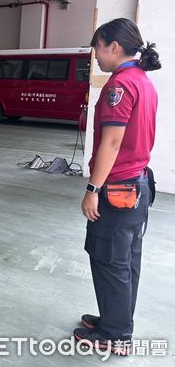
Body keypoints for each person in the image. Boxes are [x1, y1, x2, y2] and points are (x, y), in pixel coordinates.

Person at [75, 18, 160, 355]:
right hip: (137, 183)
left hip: (117, 188)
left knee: (110, 260)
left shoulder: (119, 86)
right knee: (125, 261)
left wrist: (92, 189)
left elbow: (111, 143)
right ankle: (116, 321)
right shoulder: (142, 80)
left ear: (113, 46)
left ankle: (116, 335)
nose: (94, 54)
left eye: (97, 46)